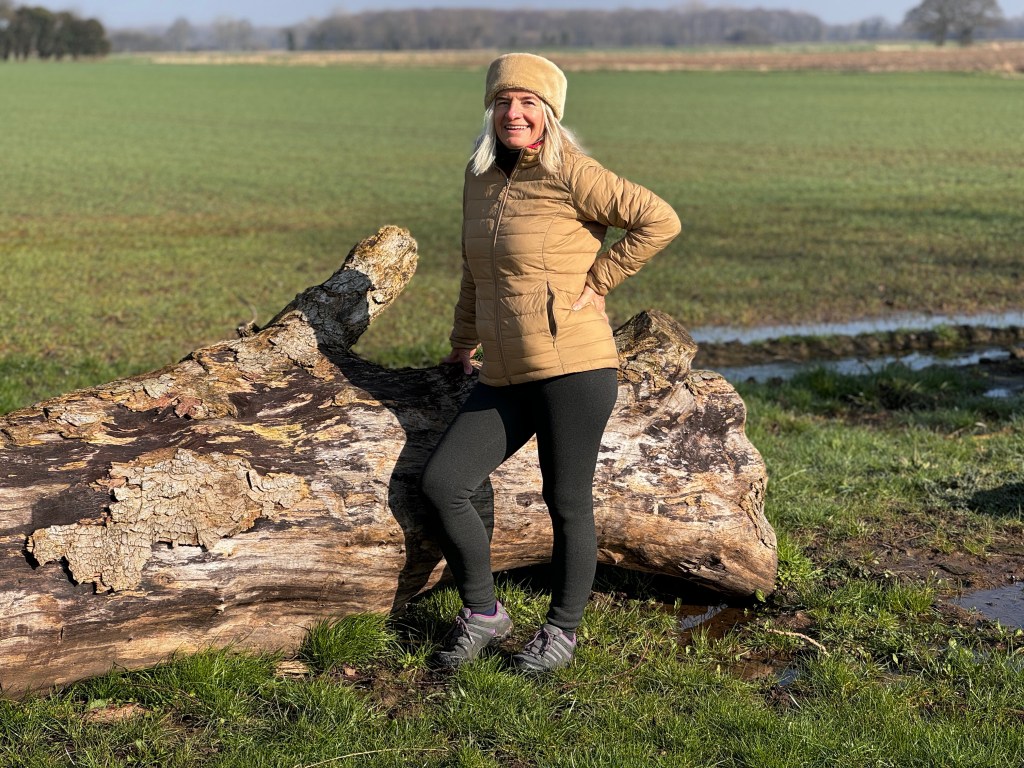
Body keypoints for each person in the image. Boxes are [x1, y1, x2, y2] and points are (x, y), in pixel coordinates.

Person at [420, 52, 681, 673]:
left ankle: (561, 632)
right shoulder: (480, 177)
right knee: (445, 484)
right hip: (506, 371)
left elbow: (659, 219)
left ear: (549, 113)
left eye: (528, 103)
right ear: (491, 110)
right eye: (503, 102)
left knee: (565, 501)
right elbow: (475, 271)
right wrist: (462, 342)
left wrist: (601, 278)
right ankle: (484, 613)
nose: (514, 113)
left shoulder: (573, 172)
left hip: (574, 367)